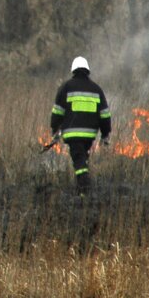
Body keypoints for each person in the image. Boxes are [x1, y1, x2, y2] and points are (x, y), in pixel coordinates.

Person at [50, 56, 111, 196]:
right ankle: (82, 188)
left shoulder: (66, 87)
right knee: (82, 158)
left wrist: (54, 129)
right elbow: (105, 115)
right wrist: (105, 134)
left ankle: (84, 191)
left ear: (73, 70)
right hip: (89, 135)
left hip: (73, 134)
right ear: (87, 70)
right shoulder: (97, 89)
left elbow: (57, 112)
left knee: (79, 161)